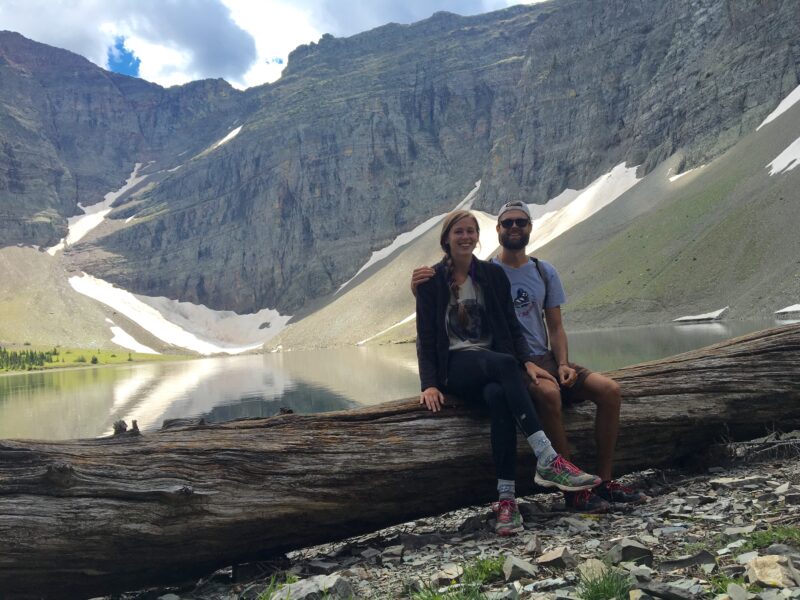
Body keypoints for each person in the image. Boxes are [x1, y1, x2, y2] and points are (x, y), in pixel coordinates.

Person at [412, 201, 646, 513]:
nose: (514, 228)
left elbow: (543, 325)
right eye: (507, 223)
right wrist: (428, 382)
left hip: (524, 360)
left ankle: (593, 483)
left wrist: (559, 363)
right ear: (496, 230)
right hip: (489, 362)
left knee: (607, 391)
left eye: (520, 222)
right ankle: (558, 471)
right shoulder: (456, 275)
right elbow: (427, 335)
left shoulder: (522, 272)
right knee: (542, 392)